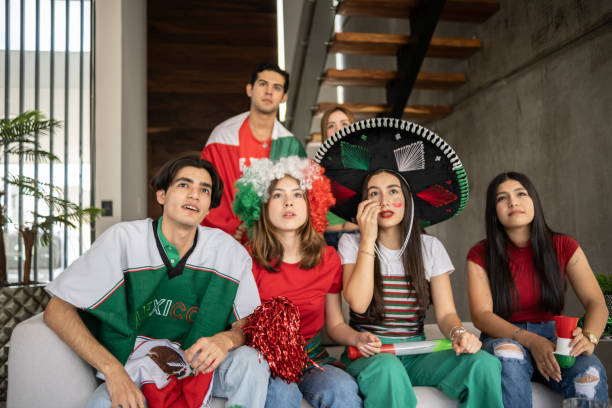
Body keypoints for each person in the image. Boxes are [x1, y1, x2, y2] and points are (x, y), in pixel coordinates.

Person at [43, 156, 270, 408]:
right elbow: (56, 310)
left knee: (253, 360)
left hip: (199, 366)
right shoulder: (123, 240)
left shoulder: (230, 253)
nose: (194, 195)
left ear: (209, 207)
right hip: (134, 368)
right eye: (184, 185)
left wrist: (225, 340)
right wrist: (112, 370)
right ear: (161, 195)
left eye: (204, 190)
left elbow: (248, 326)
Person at [313, 118, 504, 408]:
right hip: (371, 357)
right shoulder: (351, 243)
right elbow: (359, 304)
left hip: (417, 352)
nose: (384, 201)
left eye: (393, 192)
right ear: (363, 204)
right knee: (387, 369)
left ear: (407, 200)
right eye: (373, 194)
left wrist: (460, 333)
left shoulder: (430, 247)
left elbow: (446, 315)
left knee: (483, 364)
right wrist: (367, 239)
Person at [466, 172, 609, 407]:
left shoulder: (564, 246)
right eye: (502, 198)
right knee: (508, 355)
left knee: (590, 371)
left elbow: (596, 302)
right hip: (505, 337)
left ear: (534, 200)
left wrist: (590, 337)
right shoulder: (479, 254)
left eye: (521, 193)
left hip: (556, 339)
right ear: (494, 211)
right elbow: (481, 316)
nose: (513, 202)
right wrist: (531, 340)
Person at [233, 156, 363, 408]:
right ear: (262, 206)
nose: (289, 201)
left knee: (343, 389)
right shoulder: (247, 260)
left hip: (313, 359)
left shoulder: (328, 259)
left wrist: (357, 339)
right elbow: (240, 325)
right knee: (282, 395)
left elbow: (335, 324)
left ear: (311, 204)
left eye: (297, 195)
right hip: (266, 362)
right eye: (278, 195)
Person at [201, 62, 306, 242]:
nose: (269, 91)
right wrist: (234, 227)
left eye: (277, 87)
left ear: (284, 97)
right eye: (263, 84)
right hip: (226, 238)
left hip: (273, 241)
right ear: (250, 89)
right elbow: (206, 190)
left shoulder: (291, 145)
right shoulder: (222, 136)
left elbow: (301, 200)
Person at [318, 106, 359, 248]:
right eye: (331, 126)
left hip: (359, 235)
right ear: (325, 132)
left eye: (344, 124)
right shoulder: (316, 167)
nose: (338, 130)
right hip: (328, 239)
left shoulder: (365, 162)